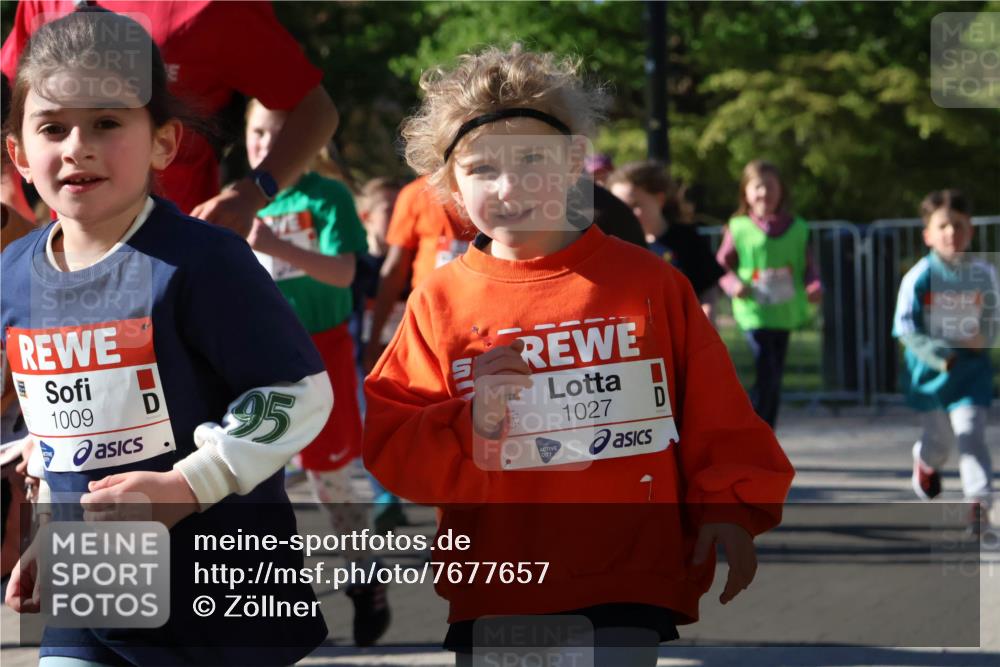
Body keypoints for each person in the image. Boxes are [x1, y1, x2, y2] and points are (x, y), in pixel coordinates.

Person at [363, 45, 794, 666]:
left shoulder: (650, 284)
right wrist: (473, 419)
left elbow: (715, 412)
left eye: (531, 159)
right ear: (450, 185)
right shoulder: (438, 300)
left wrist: (729, 506)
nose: (508, 186)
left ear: (573, 164)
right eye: (482, 168)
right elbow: (394, 442)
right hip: (500, 584)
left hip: (629, 577)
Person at [1, 12, 333, 664]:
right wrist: (51, 531)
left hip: (219, 591)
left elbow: (299, 395)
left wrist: (187, 485)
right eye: (52, 127)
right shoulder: (13, 273)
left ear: (163, 143)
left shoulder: (203, 261)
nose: (77, 147)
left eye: (106, 123)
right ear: (18, 154)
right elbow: (64, 425)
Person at [1, 0, 339, 238]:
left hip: (180, 257)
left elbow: (316, 110)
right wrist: (10, 197)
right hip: (72, 261)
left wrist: (253, 192)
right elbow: (13, 99)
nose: (77, 147)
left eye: (106, 123)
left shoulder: (219, 7)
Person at [243, 99, 390, 645]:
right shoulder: (238, 199)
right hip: (257, 358)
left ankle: (365, 576)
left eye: (279, 135)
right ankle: (274, 597)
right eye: (258, 133)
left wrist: (275, 245)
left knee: (332, 479)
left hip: (320, 352)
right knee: (254, 479)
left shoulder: (326, 196)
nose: (266, 146)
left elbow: (344, 273)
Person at [893, 190, 997, 535]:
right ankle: (925, 461)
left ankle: (978, 504)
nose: (952, 232)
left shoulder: (984, 273)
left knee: (971, 434)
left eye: (959, 225)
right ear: (928, 234)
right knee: (940, 442)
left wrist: (984, 336)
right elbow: (905, 327)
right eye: (943, 226)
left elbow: (992, 317)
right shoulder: (919, 276)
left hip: (971, 373)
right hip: (931, 375)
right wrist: (939, 356)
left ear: (970, 231)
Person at [715, 160, 822, 429]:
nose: (764, 193)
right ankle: (755, 428)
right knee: (767, 370)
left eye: (770, 186)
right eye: (758, 187)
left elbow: (808, 266)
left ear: (781, 190)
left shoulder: (797, 227)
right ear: (746, 192)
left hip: (784, 312)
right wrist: (733, 285)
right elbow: (721, 265)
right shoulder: (738, 226)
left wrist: (814, 285)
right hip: (754, 312)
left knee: (774, 376)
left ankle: (765, 430)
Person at [609, 160, 724, 323]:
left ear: (659, 199)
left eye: (634, 205)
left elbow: (708, 287)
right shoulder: (618, 248)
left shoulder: (687, 239)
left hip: (684, 330)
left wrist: (706, 316)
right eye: (620, 208)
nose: (627, 214)